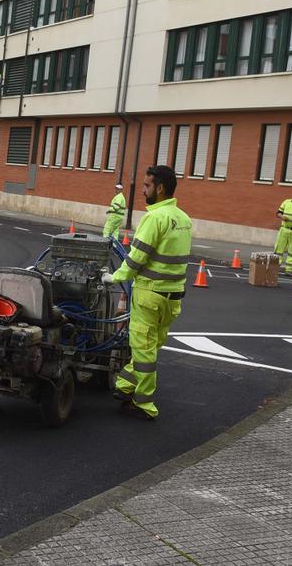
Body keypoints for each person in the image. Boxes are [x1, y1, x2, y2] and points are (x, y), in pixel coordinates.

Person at [101, 165, 192, 420]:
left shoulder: (154, 218)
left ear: (160, 187)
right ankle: (124, 385)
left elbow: (136, 259)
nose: (143, 190)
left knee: (142, 349)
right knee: (151, 346)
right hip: (173, 297)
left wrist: (113, 277)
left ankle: (144, 404)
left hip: (149, 294)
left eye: (146, 185)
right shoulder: (184, 219)